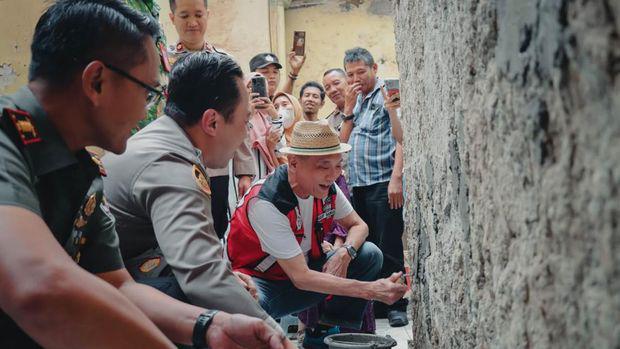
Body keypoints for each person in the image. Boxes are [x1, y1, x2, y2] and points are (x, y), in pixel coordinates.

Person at [0, 1, 291, 348]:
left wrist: (209, 325)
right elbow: (39, 289)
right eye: (148, 90)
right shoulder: (7, 143)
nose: (149, 109)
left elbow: (119, 287)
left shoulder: (84, 171)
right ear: (97, 81)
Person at [102, 52, 281, 328]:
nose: (246, 134)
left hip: (120, 275)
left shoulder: (167, 141)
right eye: (245, 123)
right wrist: (273, 334)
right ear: (212, 122)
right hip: (101, 300)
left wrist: (224, 274)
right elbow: (201, 274)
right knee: (205, 305)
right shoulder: (171, 167)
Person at [227, 121, 408, 346]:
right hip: (265, 283)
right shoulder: (267, 201)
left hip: (301, 273)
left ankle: (324, 332)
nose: (333, 175)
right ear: (293, 163)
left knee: (369, 254)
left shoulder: (326, 186)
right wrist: (372, 290)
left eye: (338, 165)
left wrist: (345, 253)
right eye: (324, 166)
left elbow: (359, 226)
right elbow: (301, 278)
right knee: (247, 301)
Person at [167, 0, 255, 238]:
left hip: (215, 165)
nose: (192, 22)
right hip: (174, 163)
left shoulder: (225, 62)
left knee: (216, 226)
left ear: (208, 15)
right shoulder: (162, 63)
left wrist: (244, 171)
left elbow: (237, 116)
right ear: (172, 18)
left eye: (198, 14)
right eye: (184, 16)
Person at [340, 47, 408, 327]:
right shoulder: (355, 100)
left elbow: (402, 138)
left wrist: (396, 178)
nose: (356, 78)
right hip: (359, 184)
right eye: (350, 74)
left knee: (389, 243)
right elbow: (342, 142)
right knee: (369, 246)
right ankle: (377, 303)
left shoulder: (386, 94)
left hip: (383, 180)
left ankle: (397, 304)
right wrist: (347, 108)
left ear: (374, 69)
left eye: (361, 72)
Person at [246, 72, 287, 178]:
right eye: (250, 86)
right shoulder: (237, 117)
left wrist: (274, 116)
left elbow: (280, 150)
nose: (254, 90)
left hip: (266, 178)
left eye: (262, 86)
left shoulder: (269, 118)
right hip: (246, 176)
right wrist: (247, 115)